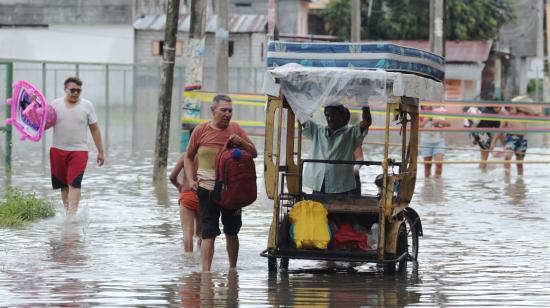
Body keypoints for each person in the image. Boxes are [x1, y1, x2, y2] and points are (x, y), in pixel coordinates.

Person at [184, 94, 257, 272]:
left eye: (230, 111)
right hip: (206, 189)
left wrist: (242, 143)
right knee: (208, 232)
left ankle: (233, 271)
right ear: (212, 110)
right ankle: (206, 274)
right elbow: (188, 156)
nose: (227, 114)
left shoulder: (236, 129)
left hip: (232, 192)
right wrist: (191, 180)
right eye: (223, 110)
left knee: (232, 232)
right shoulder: (200, 131)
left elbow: (254, 153)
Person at [50, 76, 105, 215]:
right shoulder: (55, 105)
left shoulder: (87, 106)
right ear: (65, 89)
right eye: (72, 90)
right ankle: (68, 212)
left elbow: (95, 129)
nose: (75, 93)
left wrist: (101, 151)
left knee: (74, 182)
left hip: (79, 151)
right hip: (57, 150)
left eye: (78, 91)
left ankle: (72, 216)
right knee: (63, 185)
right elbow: (43, 125)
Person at [301, 104, 372, 194]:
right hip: (319, 183)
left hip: (342, 186)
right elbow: (301, 118)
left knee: (340, 207)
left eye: (334, 115)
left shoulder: (351, 133)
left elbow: (367, 122)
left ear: (342, 116)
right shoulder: (318, 131)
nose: (330, 118)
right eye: (327, 115)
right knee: (318, 208)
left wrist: (364, 102)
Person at [169, 151, 201, 252]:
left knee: (187, 234)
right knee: (203, 234)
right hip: (204, 197)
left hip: (187, 196)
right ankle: (202, 259)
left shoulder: (185, 156)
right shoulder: (207, 155)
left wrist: (179, 185)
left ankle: (188, 262)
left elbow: (172, 177)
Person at [468, 106, 503, 170]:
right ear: (494, 107)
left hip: (476, 134)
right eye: (498, 108)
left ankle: (481, 169)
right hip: (484, 136)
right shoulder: (494, 115)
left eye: (500, 108)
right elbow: (499, 130)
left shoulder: (483, 110)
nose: (499, 110)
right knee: (484, 159)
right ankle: (482, 173)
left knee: (483, 157)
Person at [420, 105, 450, 178]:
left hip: (438, 142)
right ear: (422, 108)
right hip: (425, 143)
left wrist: (438, 122)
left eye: (430, 107)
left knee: (439, 164)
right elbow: (419, 126)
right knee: (427, 166)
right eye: (426, 106)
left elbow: (448, 124)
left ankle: (438, 183)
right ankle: (428, 185)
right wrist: (427, 119)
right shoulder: (420, 115)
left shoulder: (437, 114)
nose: (429, 108)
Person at [499, 106, 528, 175]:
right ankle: (507, 177)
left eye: (511, 108)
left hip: (522, 139)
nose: (510, 110)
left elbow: (536, 111)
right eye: (508, 109)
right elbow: (499, 131)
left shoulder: (523, 114)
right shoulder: (507, 116)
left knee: (520, 162)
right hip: (511, 138)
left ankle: (520, 179)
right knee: (507, 157)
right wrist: (493, 144)